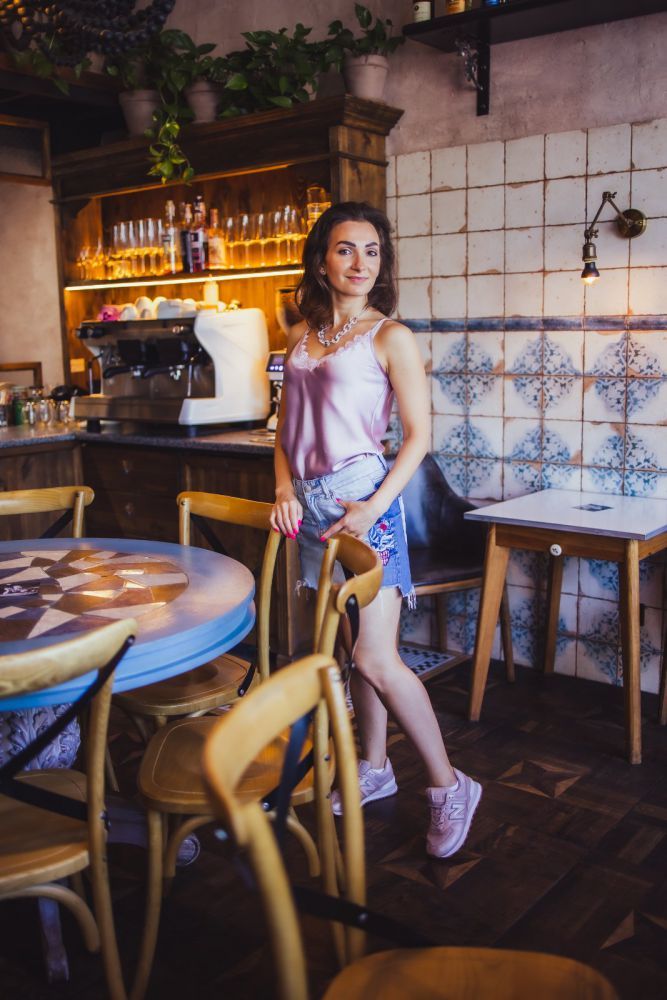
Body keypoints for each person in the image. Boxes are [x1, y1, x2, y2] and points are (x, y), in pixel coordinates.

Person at [270, 201, 481, 858]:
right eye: (345, 249)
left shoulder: (390, 336)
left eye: (372, 250)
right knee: (352, 644)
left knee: (374, 656)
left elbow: (417, 439)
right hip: (311, 507)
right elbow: (283, 431)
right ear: (320, 260)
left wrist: (371, 506)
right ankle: (375, 766)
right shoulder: (300, 338)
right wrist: (283, 488)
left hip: (367, 504)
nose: (360, 262)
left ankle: (450, 785)